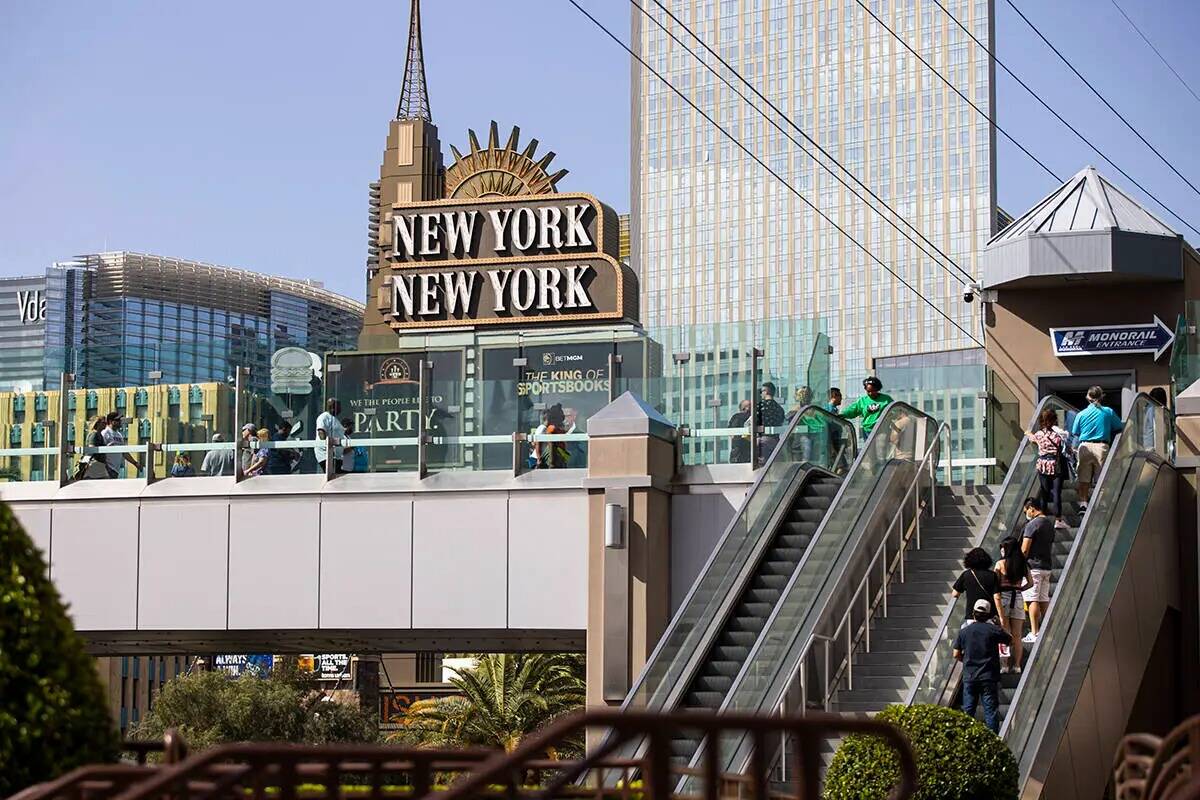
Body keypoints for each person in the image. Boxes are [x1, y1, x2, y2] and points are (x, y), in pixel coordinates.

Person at [953, 598, 1012, 734]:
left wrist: (967, 661)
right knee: (990, 711)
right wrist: (1000, 626)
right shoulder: (992, 630)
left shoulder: (964, 632)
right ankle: (993, 740)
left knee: (968, 710)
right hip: (989, 676)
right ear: (988, 615)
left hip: (970, 676)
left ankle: (965, 738)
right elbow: (1010, 640)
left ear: (973, 614)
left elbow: (956, 654)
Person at [1069, 386, 1122, 509]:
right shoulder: (1108, 412)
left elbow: (1075, 432)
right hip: (1101, 446)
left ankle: (1083, 503)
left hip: (1084, 447)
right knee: (1102, 477)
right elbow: (1119, 426)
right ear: (1101, 396)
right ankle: (1101, 503)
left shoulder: (1081, 414)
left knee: (1084, 477)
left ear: (1088, 397)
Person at [1025, 407, 1069, 530]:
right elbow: (1064, 446)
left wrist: (1028, 433)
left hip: (1042, 464)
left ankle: (1042, 517)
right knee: (1056, 493)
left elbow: (1031, 438)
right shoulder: (1058, 435)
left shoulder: (1038, 435)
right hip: (1055, 465)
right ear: (1054, 419)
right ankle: (1058, 519)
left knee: (1044, 492)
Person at [995, 536, 1032, 674]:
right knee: (1017, 635)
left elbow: (995, 583)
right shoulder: (1023, 564)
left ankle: (1004, 665)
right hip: (1017, 598)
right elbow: (1031, 583)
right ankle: (1017, 665)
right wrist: (1020, 589)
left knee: (1004, 633)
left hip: (1003, 598)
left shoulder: (1000, 564)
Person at [1021, 496, 1055, 643]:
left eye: (1026, 511)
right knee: (1043, 599)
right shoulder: (1049, 524)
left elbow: (1024, 549)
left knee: (1031, 599)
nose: (1026, 514)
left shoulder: (1032, 525)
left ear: (1031, 508)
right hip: (1046, 566)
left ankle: (1035, 632)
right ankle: (1047, 630)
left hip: (1033, 567)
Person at [952, 547, 1002, 623]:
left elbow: (955, 594)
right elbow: (997, 596)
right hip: (989, 615)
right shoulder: (992, 575)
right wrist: (1001, 617)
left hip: (972, 615)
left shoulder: (966, 575)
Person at [841, 377, 894, 441]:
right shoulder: (863, 401)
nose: (871, 393)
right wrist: (842, 414)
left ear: (877, 389)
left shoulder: (886, 399)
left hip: (882, 430)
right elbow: (853, 410)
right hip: (867, 431)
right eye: (868, 391)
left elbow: (894, 411)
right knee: (869, 450)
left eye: (873, 390)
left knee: (881, 448)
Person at [102, 412, 141, 478]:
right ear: (111, 421)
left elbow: (124, 452)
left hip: (115, 470)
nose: (120, 422)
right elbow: (99, 451)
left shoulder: (119, 435)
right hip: (107, 469)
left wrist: (135, 463)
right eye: (117, 420)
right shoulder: (105, 433)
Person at [756, 382, 786, 465]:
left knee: (761, 465)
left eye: (761, 391)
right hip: (776, 441)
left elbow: (753, 422)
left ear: (766, 391)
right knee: (774, 466)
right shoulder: (779, 408)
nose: (761, 394)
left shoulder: (760, 406)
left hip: (763, 440)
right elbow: (781, 422)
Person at [533, 404, 570, 468]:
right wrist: (540, 459)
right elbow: (540, 443)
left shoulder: (558, 428)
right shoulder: (550, 428)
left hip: (561, 456)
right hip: (553, 459)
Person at [315, 398, 346, 475]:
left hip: (337, 457)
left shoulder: (335, 419)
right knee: (333, 477)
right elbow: (321, 433)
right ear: (333, 407)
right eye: (339, 407)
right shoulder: (324, 417)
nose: (340, 409)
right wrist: (329, 448)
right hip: (327, 456)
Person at [727, 399, 752, 464]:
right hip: (749, 449)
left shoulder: (736, 417)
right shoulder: (752, 417)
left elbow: (731, 432)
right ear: (745, 408)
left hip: (737, 450)